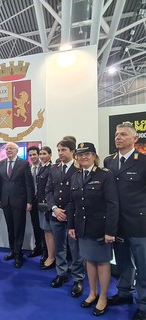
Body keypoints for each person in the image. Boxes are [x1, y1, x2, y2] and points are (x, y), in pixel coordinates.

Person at [68, 142, 119, 316]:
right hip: (82, 227)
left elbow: (113, 204)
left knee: (102, 262)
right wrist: (71, 226)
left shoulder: (105, 175)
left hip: (100, 228)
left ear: (94, 156)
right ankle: (92, 293)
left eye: (87, 154)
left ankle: (103, 296)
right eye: (80, 155)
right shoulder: (75, 176)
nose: (83, 157)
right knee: (89, 260)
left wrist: (110, 231)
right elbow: (71, 203)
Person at [104, 122, 146, 320]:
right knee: (123, 262)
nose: (118, 137)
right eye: (116, 134)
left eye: (123, 134)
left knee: (143, 265)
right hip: (116, 223)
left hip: (139, 223)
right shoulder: (108, 161)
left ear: (135, 139)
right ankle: (124, 293)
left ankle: (144, 304)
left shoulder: (143, 161)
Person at [46, 139, 85, 297]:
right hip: (56, 215)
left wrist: (66, 212)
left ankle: (78, 278)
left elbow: (80, 195)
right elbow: (48, 191)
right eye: (59, 150)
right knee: (59, 246)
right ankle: (61, 273)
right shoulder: (54, 168)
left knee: (75, 250)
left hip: (73, 216)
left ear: (72, 151)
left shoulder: (79, 168)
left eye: (64, 150)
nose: (61, 153)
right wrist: (54, 209)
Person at [0, 142, 34, 268]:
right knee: (10, 228)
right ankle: (12, 250)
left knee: (19, 228)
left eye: (11, 149)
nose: (8, 151)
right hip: (5, 202)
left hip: (20, 202)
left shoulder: (24, 164)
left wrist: (29, 201)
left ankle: (19, 254)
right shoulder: (1, 163)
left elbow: (29, 184)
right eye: (6, 149)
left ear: (16, 151)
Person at [37, 146, 55, 270]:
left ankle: (51, 257)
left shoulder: (51, 168)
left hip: (48, 205)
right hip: (41, 204)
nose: (42, 156)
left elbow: (50, 189)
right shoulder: (41, 168)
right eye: (40, 154)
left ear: (50, 154)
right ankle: (48, 254)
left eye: (44, 153)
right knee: (46, 231)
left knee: (49, 232)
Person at [27, 146, 46, 258]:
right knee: (35, 226)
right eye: (30, 155)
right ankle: (38, 247)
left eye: (34, 154)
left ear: (38, 154)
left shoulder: (44, 167)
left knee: (45, 227)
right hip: (32, 202)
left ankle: (46, 250)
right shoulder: (28, 168)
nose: (32, 157)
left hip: (43, 201)